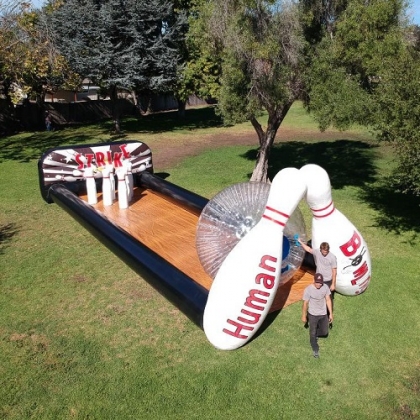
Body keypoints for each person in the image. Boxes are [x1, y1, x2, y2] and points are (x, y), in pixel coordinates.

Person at [302, 273, 333, 358]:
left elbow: (328, 300)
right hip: (312, 314)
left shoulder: (325, 287)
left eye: (320, 283)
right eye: (317, 282)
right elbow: (305, 303)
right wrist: (304, 316)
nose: (319, 284)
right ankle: (315, 350)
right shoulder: (308, 289)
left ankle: (316, 333)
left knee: (325, 332)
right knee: (312, 334)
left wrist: (330, 314)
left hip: (323, 313)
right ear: (314, 281)